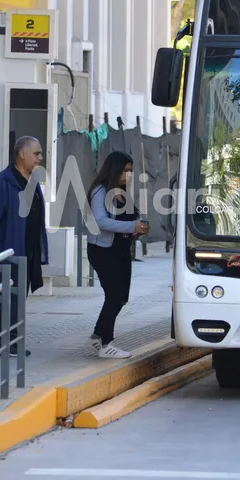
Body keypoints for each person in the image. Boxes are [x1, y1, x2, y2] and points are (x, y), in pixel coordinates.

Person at [0, 136, 49, 357]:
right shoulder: (4, 182)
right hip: (9, 250)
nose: (40, 158)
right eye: (36, 153)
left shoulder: (32, 180)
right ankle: (7, 342)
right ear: (22, 154)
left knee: (19, 297)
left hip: (28, 249)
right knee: (10, 297)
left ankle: (11, 340)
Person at [85, 151, 150, 359]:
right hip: (103, 251)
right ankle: (106, 343)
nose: (129, 175)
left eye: (131, 171)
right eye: (125, 171)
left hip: (121, 250)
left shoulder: (122, 192)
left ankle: (98, 335)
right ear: (114, 170)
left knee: (121, 297)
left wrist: (137, 230)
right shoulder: (100, 191)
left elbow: (124, 222)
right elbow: (101, 221)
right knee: (113, 295)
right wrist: (132, 226)